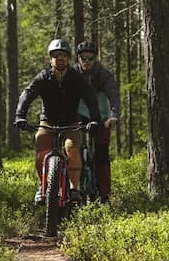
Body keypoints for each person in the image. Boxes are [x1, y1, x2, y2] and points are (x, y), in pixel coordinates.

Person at [15, 38, 102, 204]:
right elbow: (27, 94)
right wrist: (20, 116)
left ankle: (74, 188)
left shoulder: (76, 77)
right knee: (41, 147)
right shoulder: (43, 77)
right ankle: (42, 188)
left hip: (71, 123)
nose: (59, 58)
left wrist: (95, 120)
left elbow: (90, 97)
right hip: (48, 122)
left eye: (63, 55)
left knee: (71, 148)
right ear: (50, 59)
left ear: (68, 58)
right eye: (56, 55)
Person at [74, 40, 120, 203]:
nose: (87, 61)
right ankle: (73, 192)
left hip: (102, 117)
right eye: (83, 58)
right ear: (78, 58)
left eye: (91, 58)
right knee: (73, 152)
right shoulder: (73, 73)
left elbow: (113, 94)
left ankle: (104, 195)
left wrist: (113, 115)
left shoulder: (103, 74)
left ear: (96, 59)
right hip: (79, 116)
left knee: (102, 155)